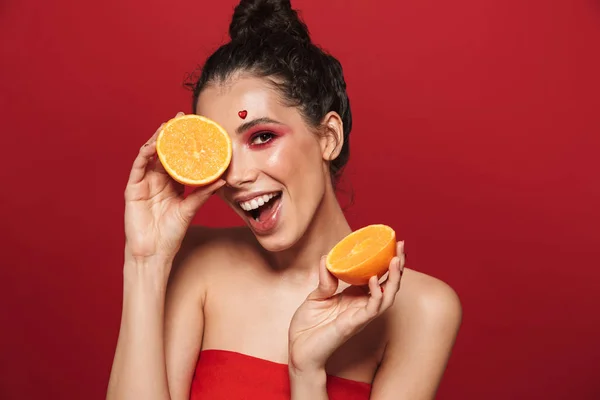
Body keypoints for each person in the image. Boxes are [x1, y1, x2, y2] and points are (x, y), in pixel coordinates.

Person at [106, 0, 462, 399]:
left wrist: (306, 372)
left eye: (262, 137)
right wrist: (145, 262)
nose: (237, 177)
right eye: (221, 152)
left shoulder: (419, 309)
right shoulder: (196, 262)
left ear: (328, 137)